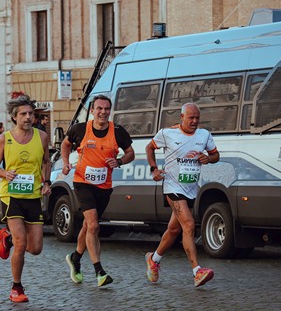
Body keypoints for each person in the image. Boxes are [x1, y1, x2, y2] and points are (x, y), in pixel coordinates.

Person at [61, 94, 135, 287]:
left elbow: (130, 153)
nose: (103, 112)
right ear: (92, 110)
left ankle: (75, 258)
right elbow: (65, 144)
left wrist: (118, 161)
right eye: (99, 108)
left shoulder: (118, 131)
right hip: (83, 183)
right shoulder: (80, 129)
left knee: (88, 227)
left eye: (106, 109)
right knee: (93, 226)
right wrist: (66, 163)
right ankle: (99, 272)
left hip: (104, 186)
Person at [145, 102, 219, 287]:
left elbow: (216, 155)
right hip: (172, 186)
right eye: (191, 117)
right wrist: (154, 169)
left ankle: (153, 259)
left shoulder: (204, 135)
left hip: (190, 188)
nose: (194, 121)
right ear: (182, 117)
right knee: (188, 224)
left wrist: (208, 158)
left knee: (174, 229)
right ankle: (197, 271)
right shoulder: (167, 133)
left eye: (197, 118)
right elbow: (149, 147)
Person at [0, 94, 51, 303]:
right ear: (14, 117)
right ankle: (16, 288)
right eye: (23, 114)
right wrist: (5, 173)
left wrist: (47, 182)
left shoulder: (41, 137)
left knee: (36, 248)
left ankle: (5, 236)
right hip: (11, 195)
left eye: (30, 113)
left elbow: (46, 161)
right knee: (21, 242)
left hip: (33, 195)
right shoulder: (3, 139)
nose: (28, 117)